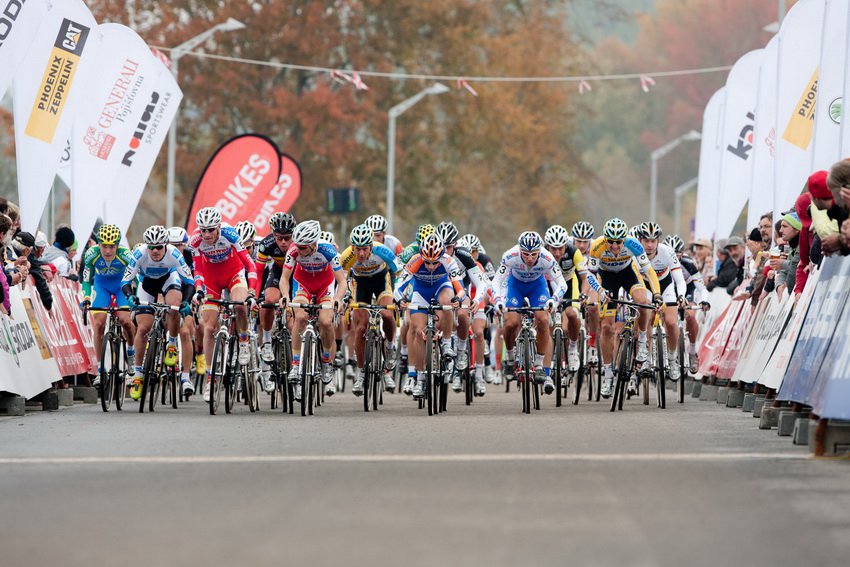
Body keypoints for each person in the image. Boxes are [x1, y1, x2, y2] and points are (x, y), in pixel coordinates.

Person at [190, 207, 261, 402]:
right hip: (212, 280)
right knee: (209, 327)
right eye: (203, 230)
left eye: (210, 230)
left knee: (239, 306)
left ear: (219, 227)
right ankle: (210, 379)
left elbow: (250, 265)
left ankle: (244, 340)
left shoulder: (230, 235)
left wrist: (253, 291)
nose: (206, 234)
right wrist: (198, 289)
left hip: (234, 275)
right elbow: (197, 269)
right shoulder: (195, 240)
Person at [585, 218, 661, 398]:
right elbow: (590, 276)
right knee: (606, 327)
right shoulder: (597, 246)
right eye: (611, 241)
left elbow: (649, 272)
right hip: (606, 278)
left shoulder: (633, 244)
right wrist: (600, 290)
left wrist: (656, 294)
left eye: (618, 241)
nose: (615, 245)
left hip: (628, 274)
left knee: (643, 301)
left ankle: (642, 339)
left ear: (624, 239)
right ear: (605, 239)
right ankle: (608, 375)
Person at [122, 226, 196, 399]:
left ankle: (171, 344)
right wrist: (129, 297)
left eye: (159, 247)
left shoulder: (174, 254)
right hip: (147, 284)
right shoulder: (139, 253)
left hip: (168, 280)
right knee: (142, 329)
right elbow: (125, 280)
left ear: (165, 245)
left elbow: (189, 281)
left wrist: (186, 301)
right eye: (151, 247)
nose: (155, 251)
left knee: (174, 305)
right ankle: (138, 375)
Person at [493, 231, 568, 395]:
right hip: (515, 286)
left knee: (542, 320)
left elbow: (562, 283)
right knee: (510, 322)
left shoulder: (547, 257)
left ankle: (540, 364)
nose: (529, 258)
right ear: (519, 250)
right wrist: (498, 300)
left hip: (537, 287)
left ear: (539, 251)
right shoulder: (510, 255)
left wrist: (553, 300)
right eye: (525, 254)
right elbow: (497, 281)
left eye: (534, 254)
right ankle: (511, 356)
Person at [279, 220, 347, 399]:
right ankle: (295, 365)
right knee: (300, 318)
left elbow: (342, 282)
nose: (298, 250)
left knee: (325, 321)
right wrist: (285, 296)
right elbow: (284, 279)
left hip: (325, 285)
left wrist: (338, 299)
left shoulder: (328, 250)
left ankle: (326, 362)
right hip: (303, 284)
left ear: (314, 244)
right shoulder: (294, 250)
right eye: (298, 246)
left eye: (303, 248)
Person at [394, 233, 466, 399]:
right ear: (421, 256)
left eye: (435, 262)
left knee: (447, 301)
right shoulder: (414, 261)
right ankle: (419, 379)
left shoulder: (448, 261)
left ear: (441, 256)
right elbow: (398, 287)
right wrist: (400, 300)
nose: (431, 266)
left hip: (442, 287)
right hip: (421, 292)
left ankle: (447, 343)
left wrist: (458, 299)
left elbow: (460, 289)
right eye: (427, 262)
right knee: (418, 332)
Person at [340, 224, 402, 396]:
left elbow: (400, 271)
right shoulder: (347, 257)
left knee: (387, 314)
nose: (360, 254)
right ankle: (361, 374)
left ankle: (389, 346)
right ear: (352, 247)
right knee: (360, 328)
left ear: (371, 246)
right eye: (357, 249)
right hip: (360, 285)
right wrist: (344, 296)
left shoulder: (382, 251)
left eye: (364, 249)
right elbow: (341, 278)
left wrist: (399, 295)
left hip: (381, 280)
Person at [80, 224, 136, 387]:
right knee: (98, 324)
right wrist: (87, 297)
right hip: (101, 286)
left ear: (117, 245)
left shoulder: (126, 255)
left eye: (112, 247)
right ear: (99, 244)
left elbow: (136, 279)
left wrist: (134, 296)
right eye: (104, 246)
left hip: (121, 286)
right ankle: (100, 371)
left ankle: (131, 355)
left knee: (125, 321)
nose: (108, 251)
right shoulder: (91, 254)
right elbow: (86, 280)